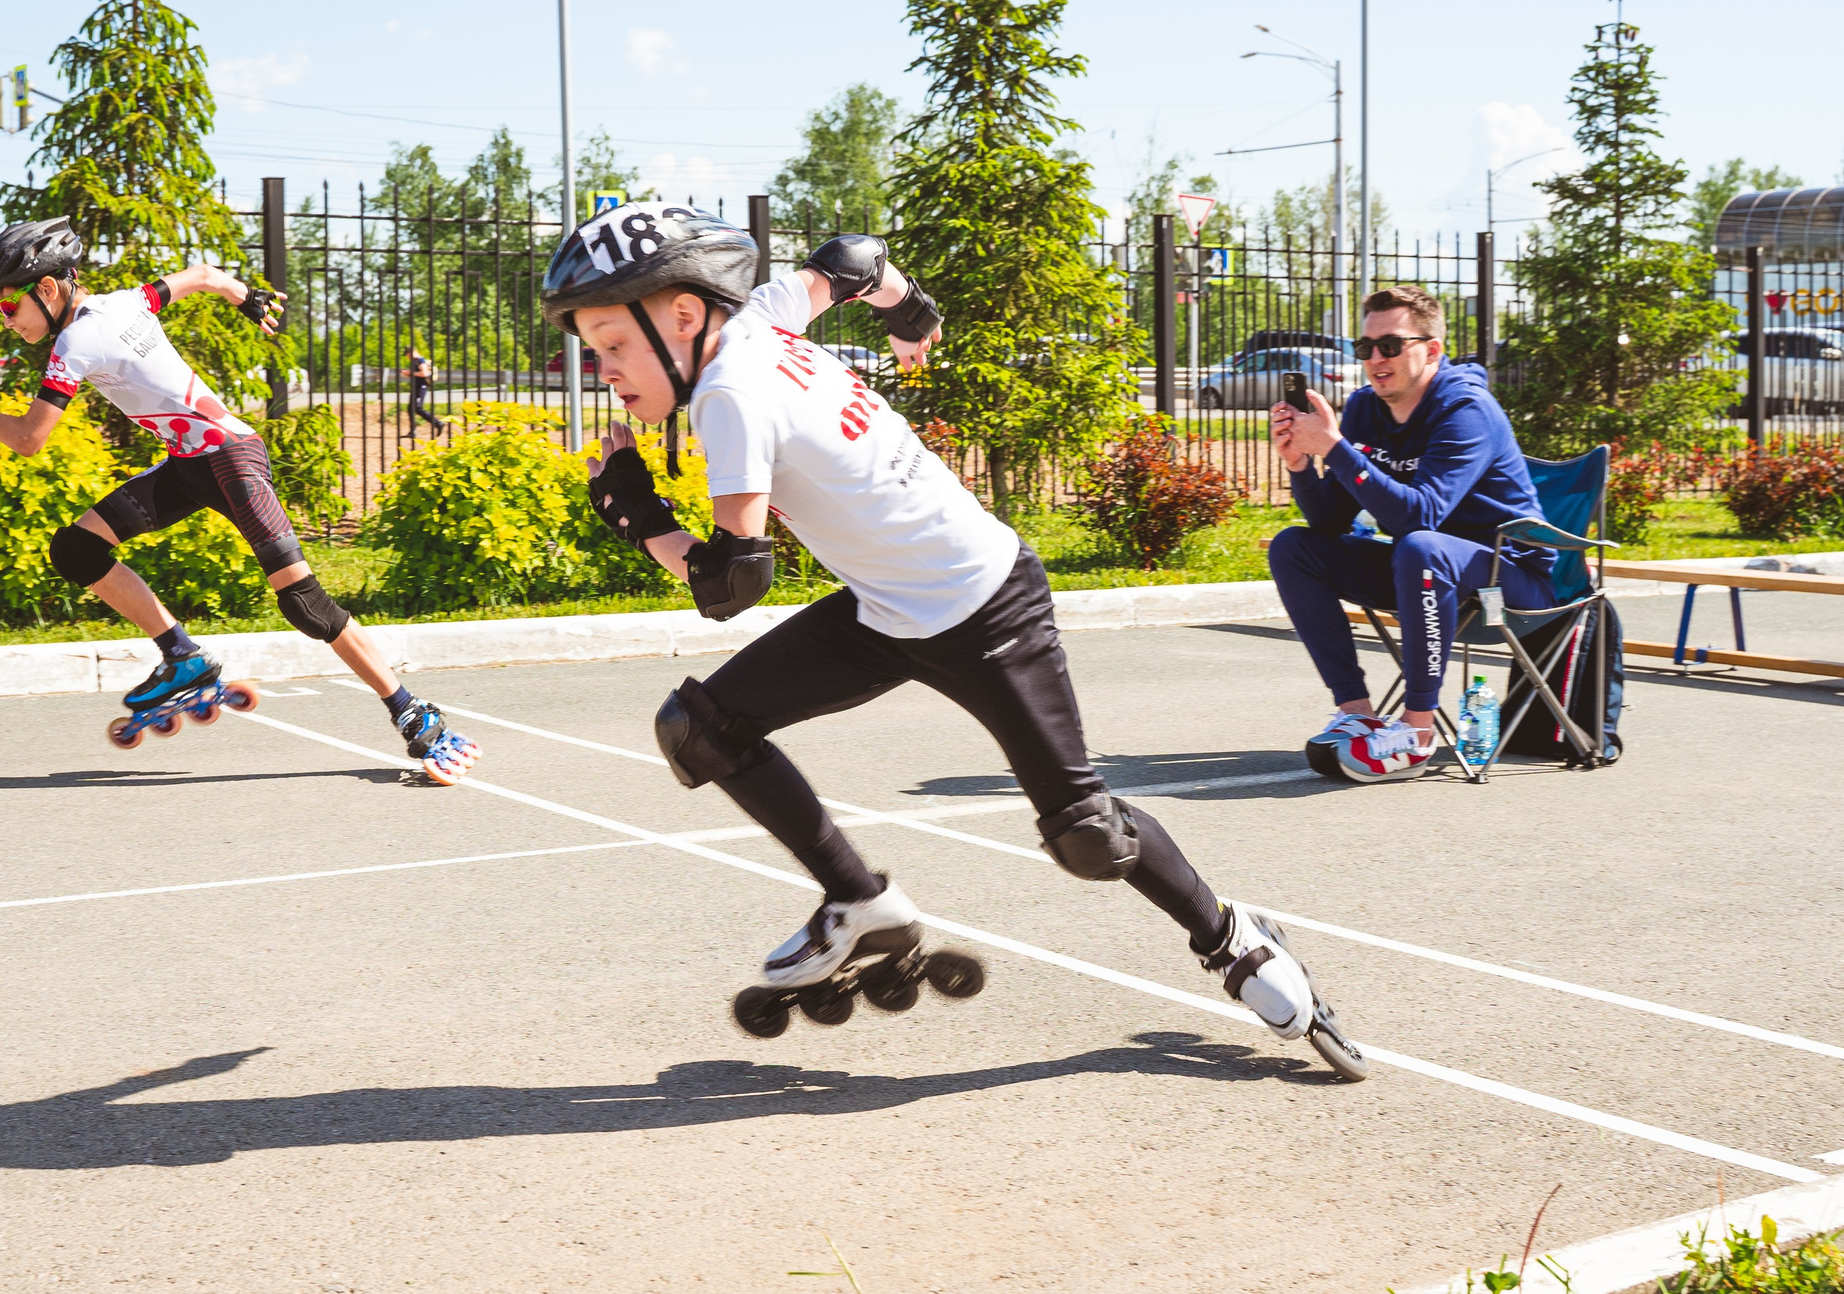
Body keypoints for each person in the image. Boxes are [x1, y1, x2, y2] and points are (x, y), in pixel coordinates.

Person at [542, 202, 1363, 1073]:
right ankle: (859, 903)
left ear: (680, 315)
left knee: (1088, 835)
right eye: (593, 348)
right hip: (885, 610)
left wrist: (634, 511)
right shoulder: (762, 312)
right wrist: (912, 315)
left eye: (612, 344)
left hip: (987, 607)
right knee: (700, 726)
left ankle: (1236, 939)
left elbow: (732, 583)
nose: (603, 370)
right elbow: (852, 261)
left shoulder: (731, 397)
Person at [0, 218, 480, 784]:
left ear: (47, 289)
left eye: (7, 307)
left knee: (305, 604)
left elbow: (28, 440)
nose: (6, 322)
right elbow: (201, 276)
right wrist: (249, 298)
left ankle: (416, 715)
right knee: (77, 550)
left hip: (232, 458)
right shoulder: (126, 302)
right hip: (191, 464)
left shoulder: (75, 341)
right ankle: (183, 658)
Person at [1265, 284, 1552, 783]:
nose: (1376, 358)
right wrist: (1300, 465)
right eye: (1365, 347)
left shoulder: (1466, 410)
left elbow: (1422, 517)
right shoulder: (1363, 409)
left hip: (1509, 580)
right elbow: (1330, 523)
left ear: (1431, 350)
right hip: (1422, 572)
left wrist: (1336, 450)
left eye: (1391, 346)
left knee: (1421, 546)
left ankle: (1417, 732)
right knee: (1294, 548)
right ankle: (1358, 712)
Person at [404, 346, 446, 440]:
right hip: (416, 387)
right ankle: (413, 431)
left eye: (407, 354)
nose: (407, 357)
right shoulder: (415, 361)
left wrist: (411, 373)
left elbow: (425, 373)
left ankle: (438, 423)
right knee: (411, 409)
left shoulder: (420, 360)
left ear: (411, 352)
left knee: (418, 408)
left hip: (420, 388)